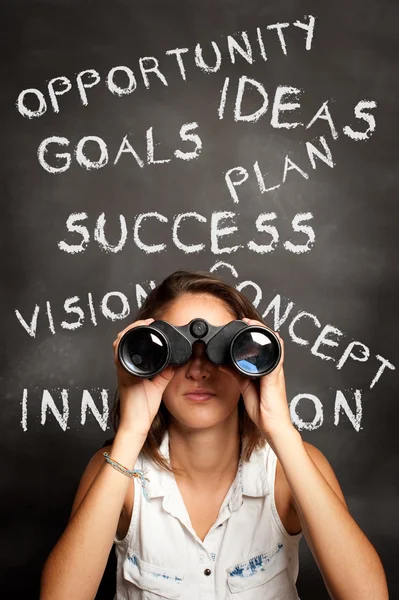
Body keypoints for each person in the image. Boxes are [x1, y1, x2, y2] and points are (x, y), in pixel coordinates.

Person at [40, 270, 388, 600]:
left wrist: (279, 428)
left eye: (222, 350)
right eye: (176, 352)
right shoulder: (117, 473)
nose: (199, 369)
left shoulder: (288, 469)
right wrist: (132, 430)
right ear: (148, 358)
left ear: (251, 356)